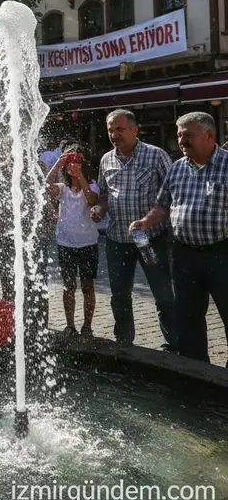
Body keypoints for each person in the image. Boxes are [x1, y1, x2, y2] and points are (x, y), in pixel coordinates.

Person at [131, 112, 228, 364]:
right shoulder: (176, 168)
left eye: (188, 135)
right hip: (184, 255)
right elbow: (162, 206)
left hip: (222, 254)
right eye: (179, 135)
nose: (181, 140)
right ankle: (197, 373)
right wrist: (145, 221)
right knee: (187, 319)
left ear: (209, 136)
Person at [92, 109, 176, 351]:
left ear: (134, 130)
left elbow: (171, 194)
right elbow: (106, 196)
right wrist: (99, 207)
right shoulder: (106, 159)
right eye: (110, 130)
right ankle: (124, 342)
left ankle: (173, 346)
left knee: (163, 295)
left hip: (151, 240)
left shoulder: (155, 156)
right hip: (117, 240)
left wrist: (155, 222)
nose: (114, 135)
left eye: (119, 129)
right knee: (119, 295)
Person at [46, 145, 99, 340]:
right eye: (70, 162)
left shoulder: (92, 184)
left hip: (88, 243)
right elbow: (46, 186)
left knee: (87, 286)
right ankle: (70, 326)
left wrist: (80, 176)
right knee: (68, 286)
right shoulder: (63, 188)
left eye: (77, 161)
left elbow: (92, 199)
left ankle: (87, 326)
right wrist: (58, 164)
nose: (73, 165)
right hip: (65, 243)